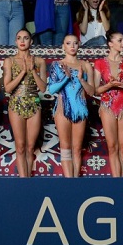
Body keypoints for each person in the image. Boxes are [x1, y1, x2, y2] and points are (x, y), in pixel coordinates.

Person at [47, 34, 95, 177]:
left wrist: (81, 79)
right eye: (68, 43)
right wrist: (66, 77)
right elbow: (51, 89)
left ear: (79, 45)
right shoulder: (57, 64)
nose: (72, 46)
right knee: (66, 148)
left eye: (75, 43)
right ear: (63, 46)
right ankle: (69, 184)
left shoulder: (85, 65)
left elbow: (91, 91)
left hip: (80, 108)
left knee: (77, 148)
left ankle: (75, 183)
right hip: (63, 108)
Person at [3, 29, 47, 177]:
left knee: (30, 147)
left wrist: (32, 70)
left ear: (31, 41)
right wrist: (22, 72)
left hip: (34, 103)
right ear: (15, 41)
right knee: (20, 146)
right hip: (16, 103)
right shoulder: (9, 61)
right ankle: (23, 181)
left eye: (26, 38)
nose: (22, 41)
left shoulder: (39, 61)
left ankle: (29, 180)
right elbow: (8, 88)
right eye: (19, 38)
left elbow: (43, 88)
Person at [94, 31, 123, 177]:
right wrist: (109, 85)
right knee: (112, 146)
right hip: (107, 106)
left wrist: (121, 85)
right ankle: (116, 180)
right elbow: (96, 90)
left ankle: (122, 179)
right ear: (110, 44)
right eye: (120, 40)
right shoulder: (100, 63)